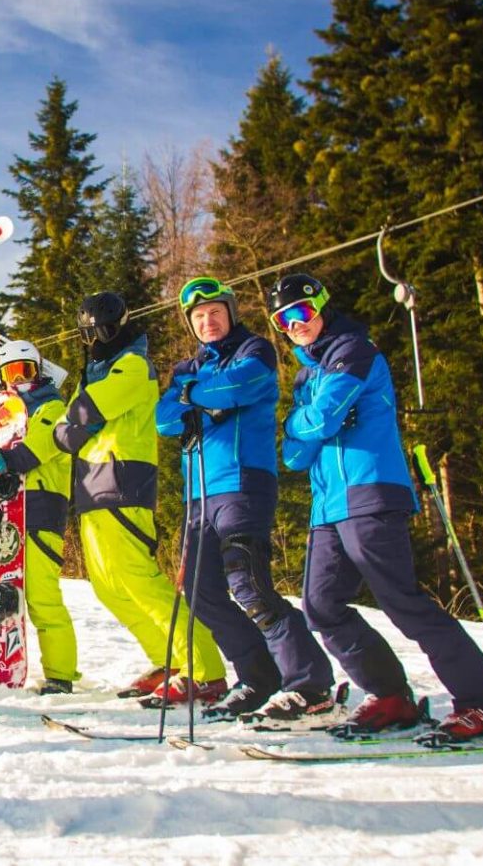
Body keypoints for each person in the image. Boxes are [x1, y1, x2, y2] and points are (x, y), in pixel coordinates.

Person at [272, 273, 483, 740]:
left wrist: (310, 422)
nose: (295, 325)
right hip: (328, 504)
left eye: (301, 312)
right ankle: (389, 695)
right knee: (320, 605)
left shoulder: (354, 351)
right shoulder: (309, 375)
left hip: (371, 491)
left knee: (402, 602)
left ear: (322, 306)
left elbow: (320, 420)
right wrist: (306, 422)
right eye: (284, 321)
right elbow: (294, 453)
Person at [155, 277, 336, 722]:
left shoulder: (255, 350)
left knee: (250, 586)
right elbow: (162, 421)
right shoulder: (187, 366)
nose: (208, 321)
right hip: (198, 491)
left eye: (215, 312)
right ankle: (258, 677)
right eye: (198, 317)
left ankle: (310, 682)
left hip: (242, 482)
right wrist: (195, 397)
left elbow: (241, 386)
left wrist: (193, 395)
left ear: (230, 313)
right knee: (201, 593)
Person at [52, 292, 228, 705]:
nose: (97, 338)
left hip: (123, 483)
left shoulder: (132, 365)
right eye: (90, 332)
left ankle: (204, 669)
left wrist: (77, 422)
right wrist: (74, 423)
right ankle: (168, 660)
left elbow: (84, 412)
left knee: (139, 581)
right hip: (92, 486)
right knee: (109, 588)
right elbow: (65, 429)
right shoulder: (93, 373)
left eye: (104, 330)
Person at [0, 341, 80, 694]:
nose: (20, 379)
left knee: (40, 596)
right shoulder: (1, 415)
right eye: (12, 373)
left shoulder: (52, 407)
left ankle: (60, 674)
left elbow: (33, 451)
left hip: (38, 509)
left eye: (27, 370)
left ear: (39, 371)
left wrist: (1, 463)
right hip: (0, 513)